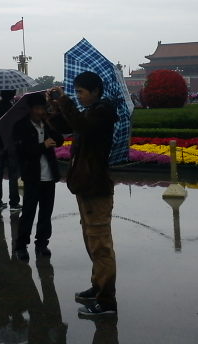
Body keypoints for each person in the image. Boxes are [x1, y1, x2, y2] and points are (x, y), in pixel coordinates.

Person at [49, 72, 119, 317]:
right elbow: (63, 126)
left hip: (96, 186)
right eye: (76, 91)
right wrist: (55, 106)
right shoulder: (90, 111)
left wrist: (65, 101)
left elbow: (82, 127)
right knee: (91, 240)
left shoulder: (103, 112)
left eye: (80, 92)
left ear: (95, 91)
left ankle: (107, 301)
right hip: (85, 185)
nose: (77, 96)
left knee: (100, 245)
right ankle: (98, 286)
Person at [13, 93, 64, 261]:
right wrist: (43, 145)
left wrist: (50, 123)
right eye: (38, 108)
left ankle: (42, 243)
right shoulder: (21, 126)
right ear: (31, 109)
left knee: (46, 212)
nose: (41, 111)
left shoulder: (47, 124)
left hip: (49, 175)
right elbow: (23, 151)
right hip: (32, 175)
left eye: (43, 108)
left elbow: (60, 140)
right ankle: (21, 245)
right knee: (28, 212)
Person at [0, 90, 21, 212]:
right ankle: (14, 203)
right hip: (10, 145)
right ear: (12, 95)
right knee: (13, 175)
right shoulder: (12, 108)